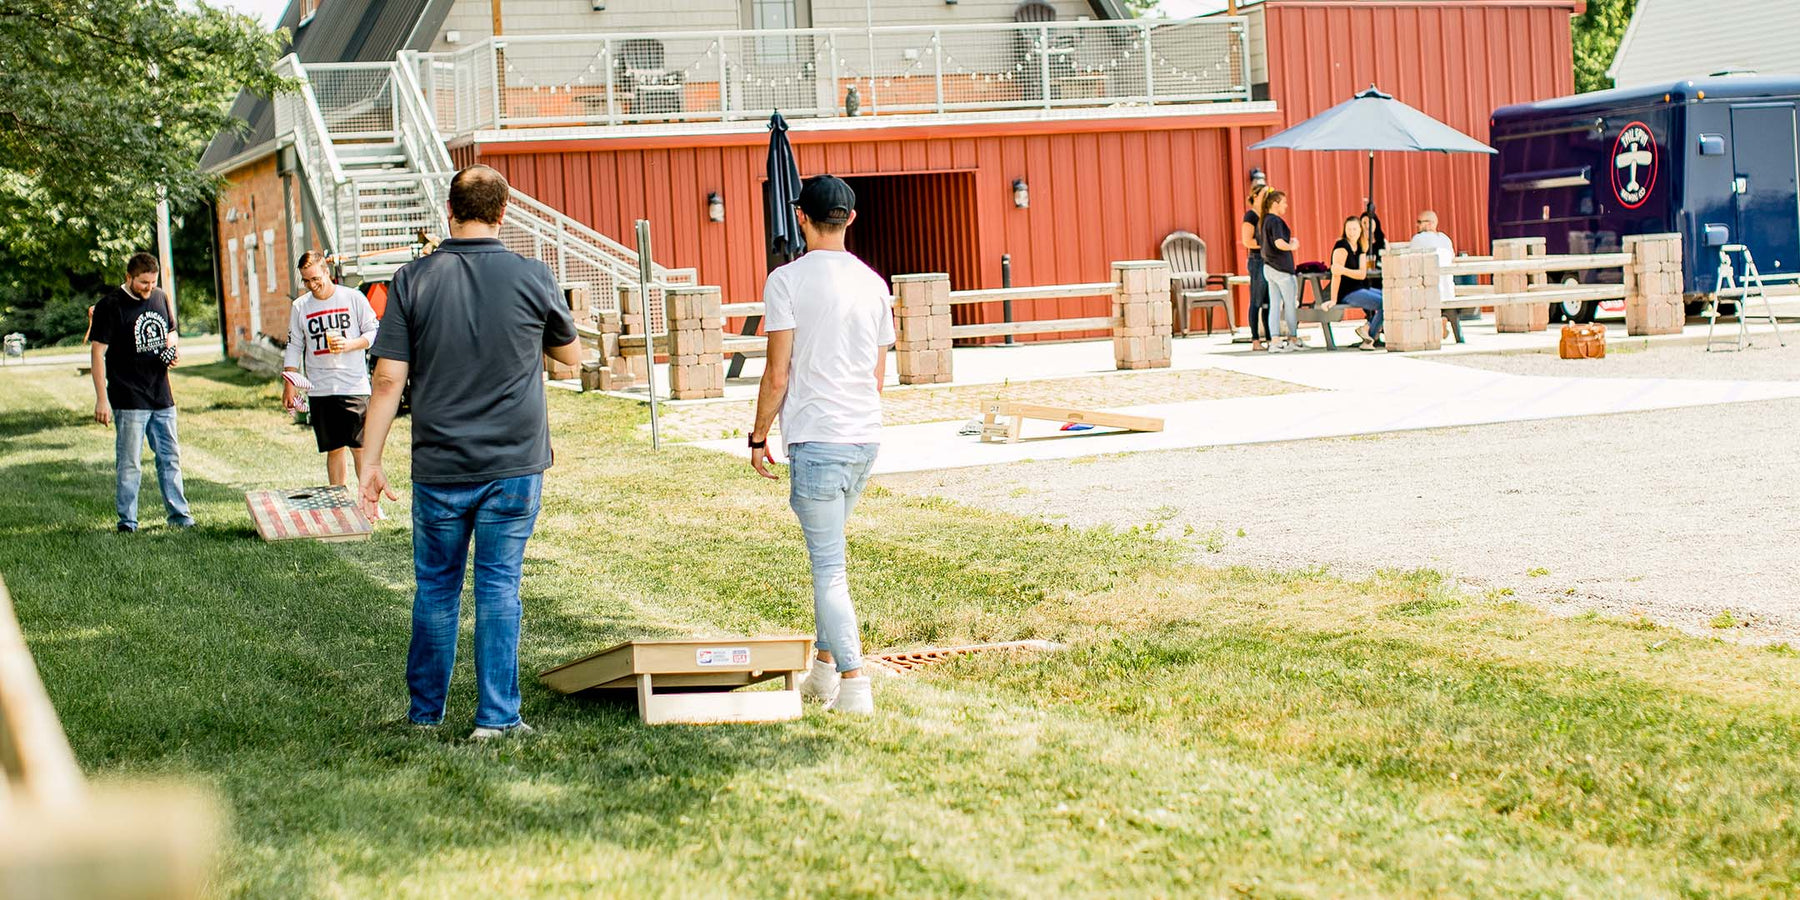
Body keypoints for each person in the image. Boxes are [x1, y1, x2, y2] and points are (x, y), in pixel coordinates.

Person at [358, 165, 581, 740]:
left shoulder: (412, 279)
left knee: (436, 588)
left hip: (439, 465)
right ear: (503, 213)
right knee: (498, 586)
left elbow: (387, 382)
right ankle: (496, 719)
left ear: (448, 211)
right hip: (513, 464)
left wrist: (369, 461)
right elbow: (571, 358)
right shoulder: (534, 275)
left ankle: (425, 716)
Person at [748, 175, 894, 716]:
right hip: (864, 439)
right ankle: (822, 672)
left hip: (818, 438)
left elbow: (777, 373)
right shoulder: (875, 284)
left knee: (829, 567)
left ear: (801, 218)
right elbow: (878, 376)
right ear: (850, 219)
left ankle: (855, 685)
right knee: (829, 553)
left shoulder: (786, 281)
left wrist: (759, 435)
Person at [89, 252, 193, 533]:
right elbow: (97, 354)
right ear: (129, 278)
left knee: (170, 457)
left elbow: (171, 330)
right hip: (128, 396)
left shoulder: (160, 297)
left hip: (161, 394)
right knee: (130, 462)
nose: (149, 288)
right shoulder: (109, 306)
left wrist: (173, 349)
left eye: (153, 282)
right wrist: (102, 399)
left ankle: (180, 516)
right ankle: (128, 521)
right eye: (143, 283)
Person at [282, 251, 379, 487]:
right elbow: (294, 345)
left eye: (316, 278)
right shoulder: (300, 306)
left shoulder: (352, 298)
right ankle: (339, 504)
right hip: (320, 389)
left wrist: (350, 344)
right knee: (334, 449)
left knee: (360, 447)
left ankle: (371, 503)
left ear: (327, 271)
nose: (312, 285)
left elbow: (373, 332)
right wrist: (289, 384)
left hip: (353, 384)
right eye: (306, 281)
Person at [1329, 216, 1385, 350]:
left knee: (1390, 298)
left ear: (1360, 230)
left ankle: (1366, 329)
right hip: (1348, 292)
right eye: (1349, 229)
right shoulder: (1341, 246)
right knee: (1385, 303)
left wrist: (1343, 270)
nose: (1351, 232)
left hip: (1362, 287)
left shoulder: (1360, 247)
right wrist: (1333, 299)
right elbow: (1336, 275)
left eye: (1354, 229)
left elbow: (1362, 274)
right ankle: (1369, 337)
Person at [1258, 190, 1301, 352]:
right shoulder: (1275, 221)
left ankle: (1274, 340)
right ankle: (1293, 339)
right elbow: (1278, 243)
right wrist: (1292, 246)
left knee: (1274, 305)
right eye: (1283, 202)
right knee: (1290, 305)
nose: (1286, 205)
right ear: (1275, 204)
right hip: (1282, 270)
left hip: (1269, 268)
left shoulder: (1265, 221)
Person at [1410, 209, 1457, 340]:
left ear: (1431, 223)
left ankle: (1433, 324)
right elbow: (1452, 258)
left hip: (1428, 292)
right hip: (1448, 291)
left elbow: (1411, 261)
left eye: (1420, 222)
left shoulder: (1418, 239)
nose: (1417, 225)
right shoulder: (1445, 239)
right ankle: (1443, 318)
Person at [1238, 185, 1271, 351]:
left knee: (1268, 302)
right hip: (1257, 260)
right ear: (1255, 196)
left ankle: (1270, 339)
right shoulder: (1251, 216)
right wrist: (1267, 244)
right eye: (1264, 194)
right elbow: (1247, 241)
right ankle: (1256, 340)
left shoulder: (1267, 215)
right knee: (1256, 301)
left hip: (1269, 260)